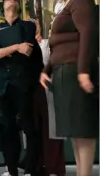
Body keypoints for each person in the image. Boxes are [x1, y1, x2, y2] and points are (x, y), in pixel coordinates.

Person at [40, 0, 99, 176]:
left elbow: (88, 35)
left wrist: (83, 71)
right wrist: (46, 68)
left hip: (75, 69)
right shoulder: (65, 5)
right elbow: (56, 44)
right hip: (62, 70)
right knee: (74, 130)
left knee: (83, 129)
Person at [0, 0, 43, 176]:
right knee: (8, 129)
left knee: (29, 127)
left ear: (18, 6)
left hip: (24, 83)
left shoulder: (28, 26)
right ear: (3, 6)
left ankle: (31, 169)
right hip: (4, 85)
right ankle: (11, 170)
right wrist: (14, 48)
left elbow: (27, 49)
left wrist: (5, 52)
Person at [32, 19, 65, 176]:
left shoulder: (46, 43)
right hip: (32, 90)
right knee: (35, 129)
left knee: (52, 128)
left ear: (39, 27)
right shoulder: (24, 45)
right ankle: (38, 166)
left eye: (34, 25)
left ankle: (54, 167)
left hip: (49, 88)